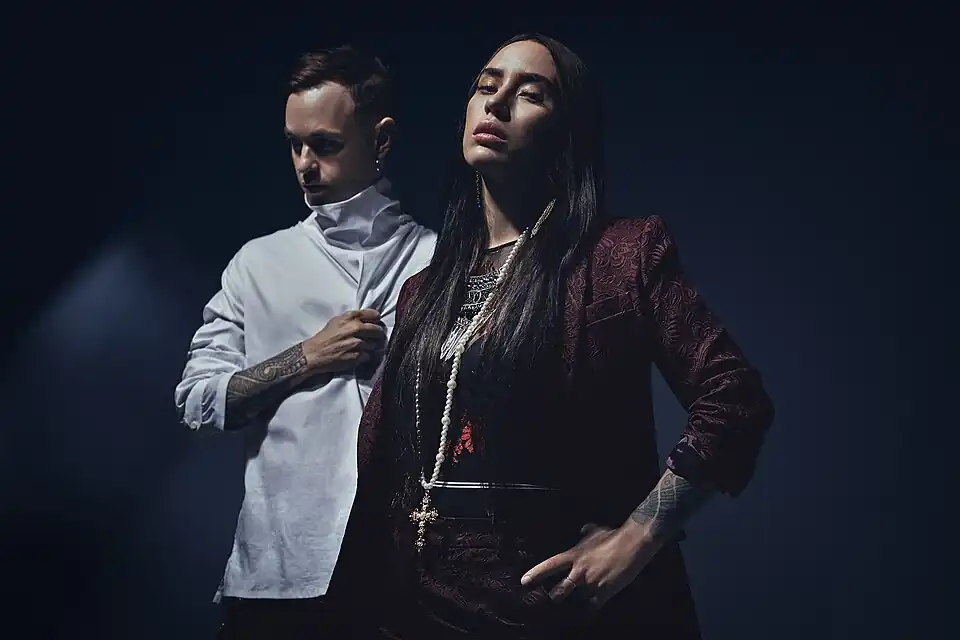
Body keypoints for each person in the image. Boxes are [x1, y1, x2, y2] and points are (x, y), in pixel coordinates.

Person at [346, 33, 775, 638]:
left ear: (567, 128)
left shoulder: (620, 256)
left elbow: (734, 398)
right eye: (486, 86)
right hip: (418, 604)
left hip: (552, 606)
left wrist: (639, 536)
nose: (497, 103)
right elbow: (384, 463)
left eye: (531, 94)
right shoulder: (425, 288)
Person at [174, 45, 436, 639]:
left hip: (401, 583)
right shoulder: (258, 263)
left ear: (381, 140)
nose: (304, 165)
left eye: (324, 145)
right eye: (294, 145)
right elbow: (195, 402)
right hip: (274, 581)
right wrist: (306, 357)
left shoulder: (438, 261)